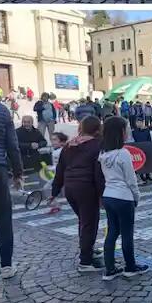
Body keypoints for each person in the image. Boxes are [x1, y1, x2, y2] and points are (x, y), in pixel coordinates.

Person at [49, 115, 105, 272]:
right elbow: (98, 172)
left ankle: (88, 249)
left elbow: (60, 170)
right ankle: (85, 261)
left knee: (83, 221)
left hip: (70, 189)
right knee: (89, 223)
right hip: (87, 188)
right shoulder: (97, 144)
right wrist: (102, 195)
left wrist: (54, 191)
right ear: (97, 129)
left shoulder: (69, 145)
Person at [98, 116, 148, 280]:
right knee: (127, 233)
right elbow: (131, 179)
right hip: (123, 197)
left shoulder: (103, 154)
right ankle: (130, 266)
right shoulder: (123, 153)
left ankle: (110, 269)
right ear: (121, 132)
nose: (128, 131)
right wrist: (137, 197)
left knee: (112, 232)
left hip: (109, 195)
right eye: (126, 128)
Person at [0, 99, 24, 279]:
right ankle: (6, 266)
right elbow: (12, 146)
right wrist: (18, 173)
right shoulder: (1, 111)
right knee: (3, 219)